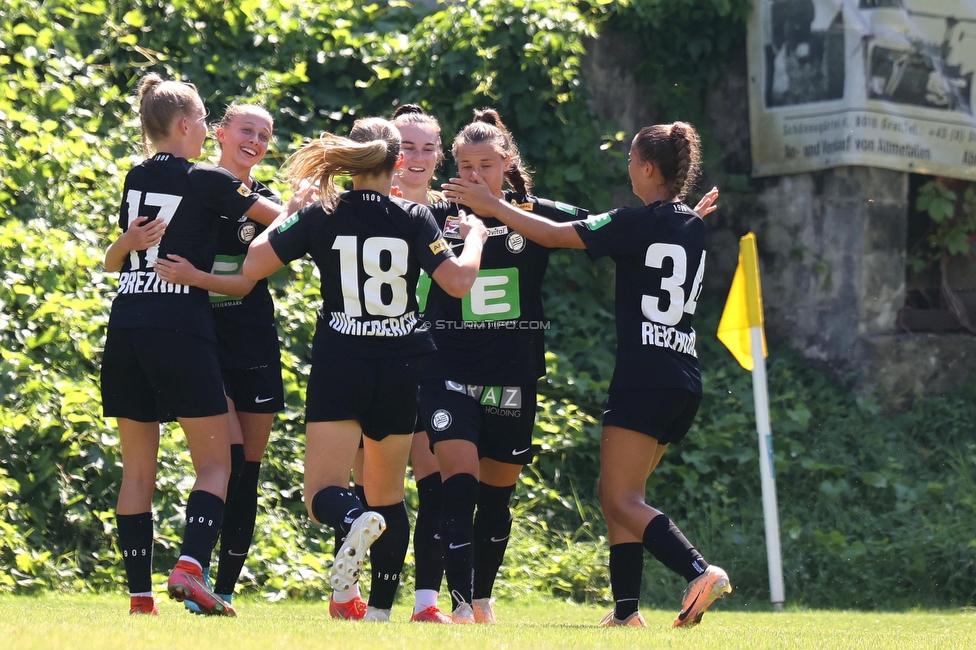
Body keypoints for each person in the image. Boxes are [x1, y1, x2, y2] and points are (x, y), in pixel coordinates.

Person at [442, 121, 729, 628]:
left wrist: (493, 207)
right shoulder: (689, 223)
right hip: (683, 374)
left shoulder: (635, 221)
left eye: (629, 163)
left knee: (620, 497)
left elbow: (553, 233)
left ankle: (699, 570)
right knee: (622, 494)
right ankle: (625, 613)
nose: (627, 172)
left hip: (646, 374)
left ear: (646, 168)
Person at [242, 117, 488, 623]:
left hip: (341, 362)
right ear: (397, 162)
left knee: (323, 495)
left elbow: (253, 262)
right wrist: (477, 236)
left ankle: (353, 519)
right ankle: (378, 613)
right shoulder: (415, 216)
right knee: (390, 495)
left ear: (351, 159)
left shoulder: (321, 214)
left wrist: (289, 212)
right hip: (401, 365)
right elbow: (459, 282)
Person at [101, 73, 294, 616]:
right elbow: (283, 222)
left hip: (126, 324)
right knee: (216, 462)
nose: (207, 130)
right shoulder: (207, 178)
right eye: (206, 120)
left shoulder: (136, 174)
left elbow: (121, 255)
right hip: (179, 326)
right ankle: (190, 566)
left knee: (138, 471)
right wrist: (299, 204)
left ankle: (140, 599)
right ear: (186, 125)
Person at [418, 108, 590, 624]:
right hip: (446, 370)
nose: (474, 177)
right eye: (466, 167)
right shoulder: (434, 214)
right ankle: (459, 603)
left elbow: (599, 231)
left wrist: (675, 220)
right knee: (460, 484)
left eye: (486, 166)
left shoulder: (533, 214)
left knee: (496, 501)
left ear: (507, 162)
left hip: (512, 376)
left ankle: (483, 601)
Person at [152, 103, 285, 611]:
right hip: (198, 338)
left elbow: (254, 276)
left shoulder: (267, 206)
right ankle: (194, 568)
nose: (254, 140)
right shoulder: (194, 187)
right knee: (222, 460)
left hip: (250, 342)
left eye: (264, 134)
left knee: (247, 468)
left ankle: (222, 588)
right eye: (245, 130)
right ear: (222, 134)